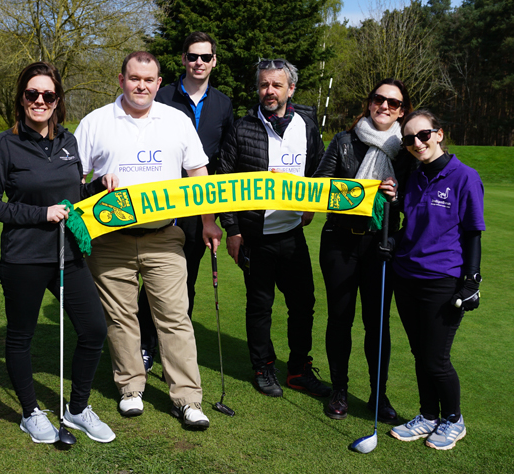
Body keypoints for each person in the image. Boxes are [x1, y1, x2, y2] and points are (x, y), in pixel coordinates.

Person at [74, 51, 223, 430]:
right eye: (134, 78)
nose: (141, 85)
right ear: (121, 79)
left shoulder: (176, 120)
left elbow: (199, 175)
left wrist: (209, 222)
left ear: (159, 83)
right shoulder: (95, 122)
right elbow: (73, 177)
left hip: (164, 237)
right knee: (121, 319)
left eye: (149, 80)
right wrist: (92, 190)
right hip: (109, 240)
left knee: (174, 317)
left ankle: (188, 399)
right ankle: (130, 389)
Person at [0, 61, 118, 444]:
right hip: (23, 258)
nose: (40, 100)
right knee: (20, 337)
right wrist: (40, 214)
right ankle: (30, 413)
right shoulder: (3, 145)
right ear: (21, 99)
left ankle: (76, 410)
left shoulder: (69, 143)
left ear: (58, 101)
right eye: (32, 94)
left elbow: (72, 197)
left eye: (48, 95)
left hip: (67, 255)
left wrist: (97, 188)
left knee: (93, 329)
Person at [217, 58, 331, 398]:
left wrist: (310, 205)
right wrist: (233, 230)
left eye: (276, 85)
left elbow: (320, 171)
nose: (269, 91)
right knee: (260, 305)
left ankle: (298, 370)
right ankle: (263, 367)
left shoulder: (307, 126)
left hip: (291, 234)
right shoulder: (242, 127)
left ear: (290, 89)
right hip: (254, 235)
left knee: (303, 303)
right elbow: (223, 181)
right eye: (264, 84)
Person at [312, 79, 417, 422]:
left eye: (393, 103)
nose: (384, 106)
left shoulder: (407, 149)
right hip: (340, 242)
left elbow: (416, 199)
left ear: (402, 111)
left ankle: (378, 395)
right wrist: (354, 191)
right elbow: (319, 188)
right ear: (369, 103)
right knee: (340, 319)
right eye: (379, 99)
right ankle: (339, 390)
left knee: (378, 324)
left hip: (382, 245)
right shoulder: (344, 140)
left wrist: (396, 195)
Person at [136, 31, 234, 373]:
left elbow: (222, 162)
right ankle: (145, 345)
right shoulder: (160, 96)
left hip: (197, 208)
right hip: (158, 202)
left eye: (205, 57)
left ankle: (172, 349)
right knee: (152, 277)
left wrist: (215, 214)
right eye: (193, 56)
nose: (198, 63)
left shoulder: (223, 104)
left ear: (214, 62)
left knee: (185, 281)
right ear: (182, 59)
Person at [388, 109, 485, 450]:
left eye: (424, 135)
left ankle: (453, 420)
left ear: (439, 134)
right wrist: (393, 240)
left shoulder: (464, 177)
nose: (417, 143)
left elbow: (473, 233)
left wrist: (472, 280)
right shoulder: (413, 177)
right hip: (406, 276)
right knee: (420, 353)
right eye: (410, 139)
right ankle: (428, 415)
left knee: (435, 358)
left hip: (441, 280)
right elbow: (411, 229)